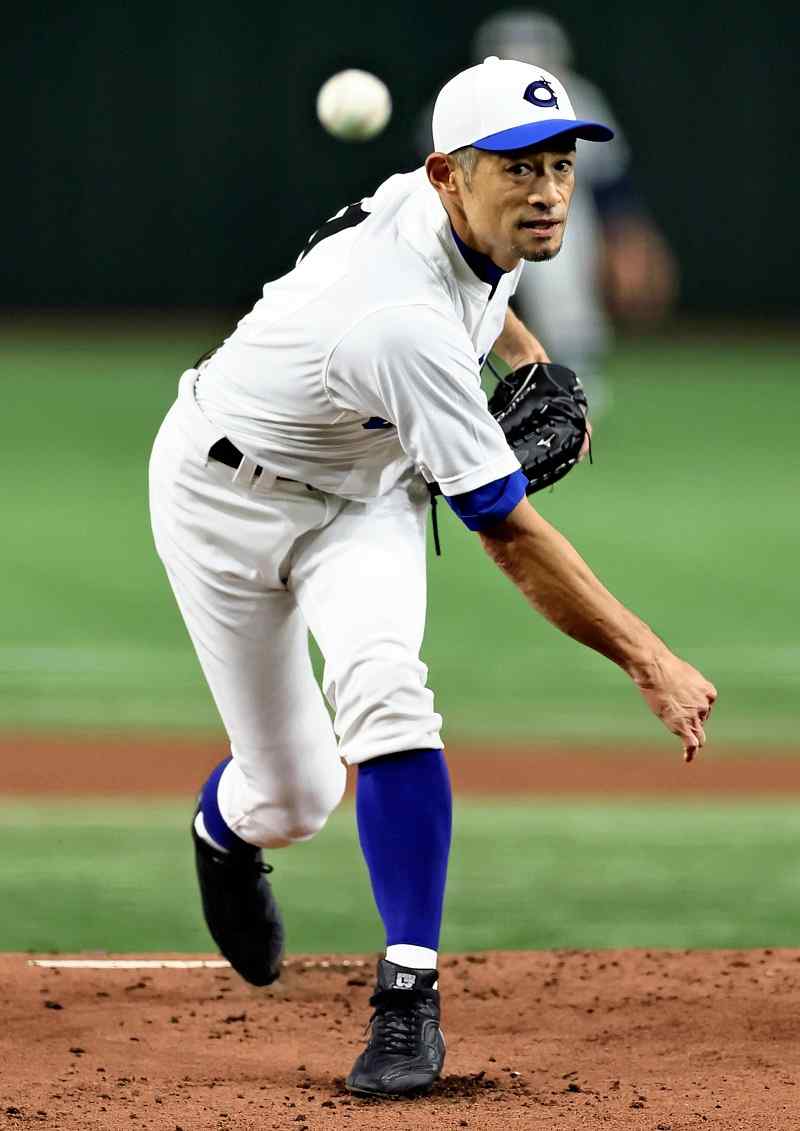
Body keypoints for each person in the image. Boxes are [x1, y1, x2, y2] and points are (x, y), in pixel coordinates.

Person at [148, 56, 716, 1098]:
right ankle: (226, 828)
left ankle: (406, 1000)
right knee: (295, 795)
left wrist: (527, 360)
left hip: (364, 498)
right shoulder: (396, 323)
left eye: (557, 164)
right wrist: (647, 658)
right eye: (516, 169)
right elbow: (505, 532)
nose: (545, 191)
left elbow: (484, 290)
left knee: (385, 693)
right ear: (448, 174)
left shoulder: (457, 213)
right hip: (221, 499)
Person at [470, 10, 678, 408]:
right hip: (482, 214)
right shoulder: (463, 101)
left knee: (565, 298)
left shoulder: (577, 100)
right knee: (461, 294)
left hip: (559, 211)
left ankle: (573, 390)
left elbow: (610, 183)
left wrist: (630, 242)